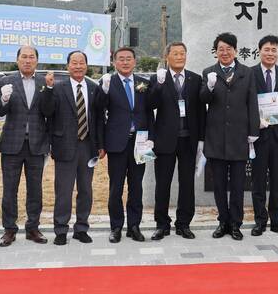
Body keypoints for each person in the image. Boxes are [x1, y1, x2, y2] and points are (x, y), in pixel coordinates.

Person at [199, 32, 260, 240]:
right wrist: (208, 86)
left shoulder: (247, 73)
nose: (224, 53)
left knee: (237, 185)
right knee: (218, 186)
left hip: (239, 138)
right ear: (215, 51)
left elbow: (252, 103)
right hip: (215, 138)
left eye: (228, 49)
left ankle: (236, 223)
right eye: (220, 49)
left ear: (235, 51)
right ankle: (222, 222)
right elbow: (202, 99)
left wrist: (253, 132)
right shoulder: (209, 72)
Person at [0, 45, 54, 247]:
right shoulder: (6, 81)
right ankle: (9, 230)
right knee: (9, 190)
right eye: (24, 57)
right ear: (17, 60)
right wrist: (4, 98)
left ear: (37, 61)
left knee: (35, 189)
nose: (27, 60)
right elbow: (0, 112)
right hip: (12, 144)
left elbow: (48, 111)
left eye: (31, 57)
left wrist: (49, 90)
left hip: (37, 144)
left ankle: (33, 228)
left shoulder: (43, 81)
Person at [96, 46, 153, 243]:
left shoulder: (144, 83)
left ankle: (134, 226)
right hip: (116, 143)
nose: (125, 62)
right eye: (121, 59)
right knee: (116, 186)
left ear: (135, 61)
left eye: (129, 58)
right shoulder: (107, 83)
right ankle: (116, 226)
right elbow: (98, 111)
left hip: (142, 142)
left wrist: (151, 139)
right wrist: (101, 144)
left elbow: (150, 112)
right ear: (114, 62)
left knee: (137, 186)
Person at [148, 41, 204, 240]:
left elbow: (201, 112)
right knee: (162, 184)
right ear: (167, 57)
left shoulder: (196, 79)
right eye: (176, 54)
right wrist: (159, 85)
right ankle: (162, 224)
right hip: (165, 140)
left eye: (183, 53)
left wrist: (201, 140)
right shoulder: (158, 78)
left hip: (189, 139)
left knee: (187, 184)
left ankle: (184, 224)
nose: (180, 57)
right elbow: (150, 104)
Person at [49, 50, 101, 246]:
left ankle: (81, 228)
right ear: (67, 66)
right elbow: (49, 114)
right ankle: (61, 229)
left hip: (88, 147)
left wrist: (100, 145)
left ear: (87, 65)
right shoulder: (58, 88)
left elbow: (99, 120)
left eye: (81, 63)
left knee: (86, 190)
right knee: (63, 190)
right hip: (64, 146)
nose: (78, 66)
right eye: (74, 63)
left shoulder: (94, 88)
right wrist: (47, 88)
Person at [249, 35, 278, 237]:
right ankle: (260, 221)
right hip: (258, 135)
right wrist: (254, 122)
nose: (270, 53)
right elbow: (247, 102)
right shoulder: (250, 73)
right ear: (259, 51)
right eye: (267, 49)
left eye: (274, 50)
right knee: (258, 180)